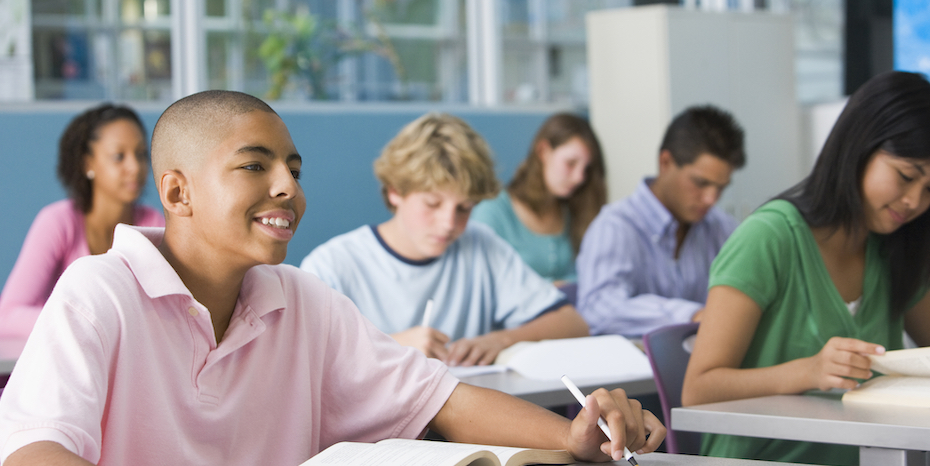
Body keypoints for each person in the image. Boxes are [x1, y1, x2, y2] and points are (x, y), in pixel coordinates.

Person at [0, 91, 665, 466]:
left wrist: (577, 435)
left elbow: (445, 401)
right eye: (255, 166)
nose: (287, 186)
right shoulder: (99, 289)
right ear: (177, 191)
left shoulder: (301, 299)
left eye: (292, 167)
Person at [681, 71, 930, 466]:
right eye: (906, 176)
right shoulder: (770, 237)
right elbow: (699, 388)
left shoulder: (892, 247)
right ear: (859, 147)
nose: (915, 202)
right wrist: (808, 371)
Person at [301, 113, 590, 366]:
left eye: (464, 208)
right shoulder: (332, 265)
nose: (449, 223)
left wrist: (501, 340)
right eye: (432, 204)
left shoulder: (482, 246)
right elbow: (301, 357)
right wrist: (391, 345)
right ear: (395, 192)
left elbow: (572, 324)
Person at [0, 104, 164, 339]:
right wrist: (89, 323)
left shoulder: (152, 223)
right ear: (87, 164)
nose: (135, 167)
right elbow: (6, 319)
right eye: (118, 157)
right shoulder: (57, 222)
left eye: (141, 154)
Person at [576, 105, 746, 337]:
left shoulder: (720, 227)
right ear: (665, 162)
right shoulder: (616, 226)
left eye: (720, 188)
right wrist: (691, 316)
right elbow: (598, 310)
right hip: (635, 369)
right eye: (700, 183)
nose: (710, 199)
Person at [470, 113, 606, 283]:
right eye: (570, 163)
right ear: (543, 152)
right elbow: (485, 282)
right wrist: (553, 288)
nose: (580, 177)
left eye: (586, 169)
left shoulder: (572, 210)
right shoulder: (493, 211)